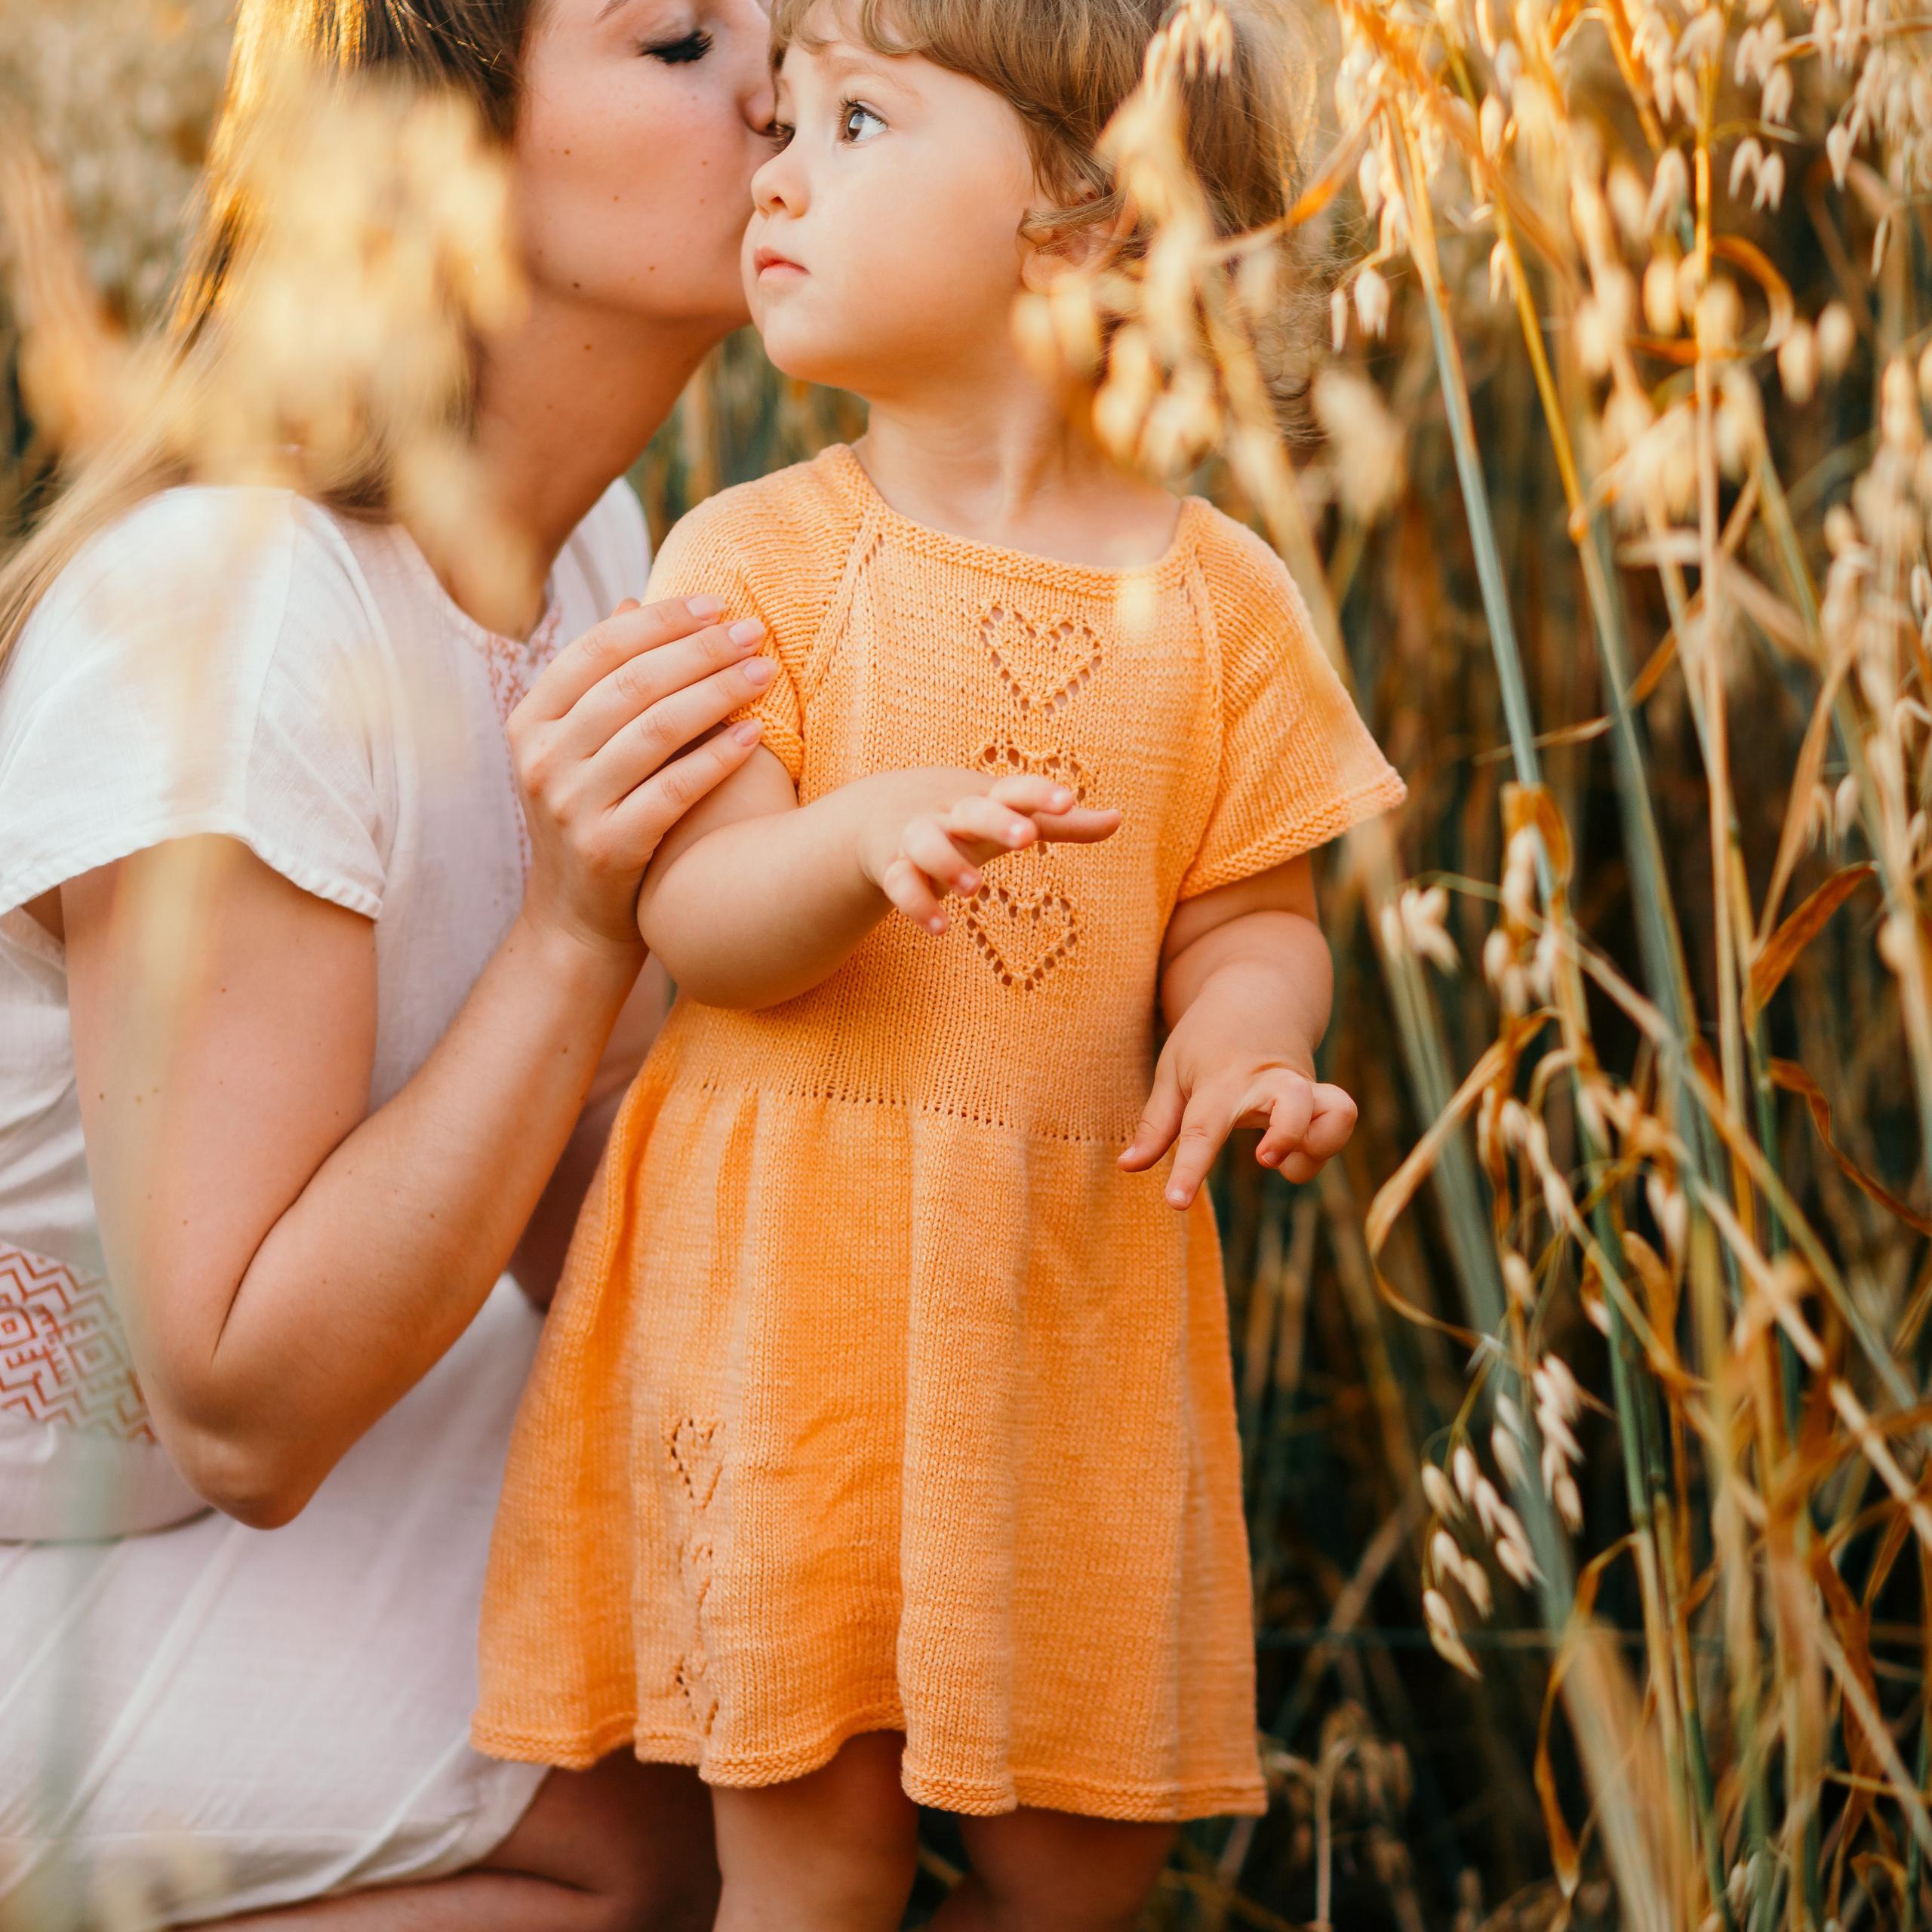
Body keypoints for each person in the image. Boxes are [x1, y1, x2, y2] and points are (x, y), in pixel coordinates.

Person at [474, 0, 1408, 1926]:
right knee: (811, 1850)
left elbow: (1249, 914)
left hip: (1060, 1305)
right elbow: (695, 916)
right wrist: (853, 840)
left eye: (858, 121)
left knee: (1084, 1856)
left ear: (1084, 217)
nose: (775, 173)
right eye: (785, 120)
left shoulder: (1219, 600)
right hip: (788, 1315)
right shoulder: (755, 556)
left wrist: (1247, 1042)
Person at [0, 2, 785, 1924]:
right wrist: (575, 931)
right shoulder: (238, 608)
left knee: (784, 1646)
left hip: (273, 1455)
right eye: (681, 40)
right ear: (445, 152)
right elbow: (240, 1409)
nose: (784, 79)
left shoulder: (598, 550)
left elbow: (573, 1202)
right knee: (621, 1798)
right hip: (56, 1545)